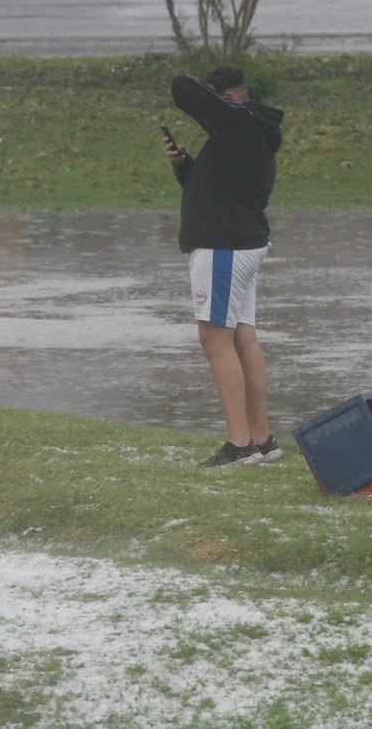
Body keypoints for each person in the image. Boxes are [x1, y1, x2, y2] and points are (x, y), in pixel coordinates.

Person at [164, 64, 284, 467]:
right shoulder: (248, 134)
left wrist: (205, 89)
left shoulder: (237, 122)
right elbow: (218, 189)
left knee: (216, 341)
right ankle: (262, 440)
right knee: (242, 338)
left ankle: (239, 445)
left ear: (228, 99)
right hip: (242, 244)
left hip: (223, 247)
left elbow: (181, 87)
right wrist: (185, 166)